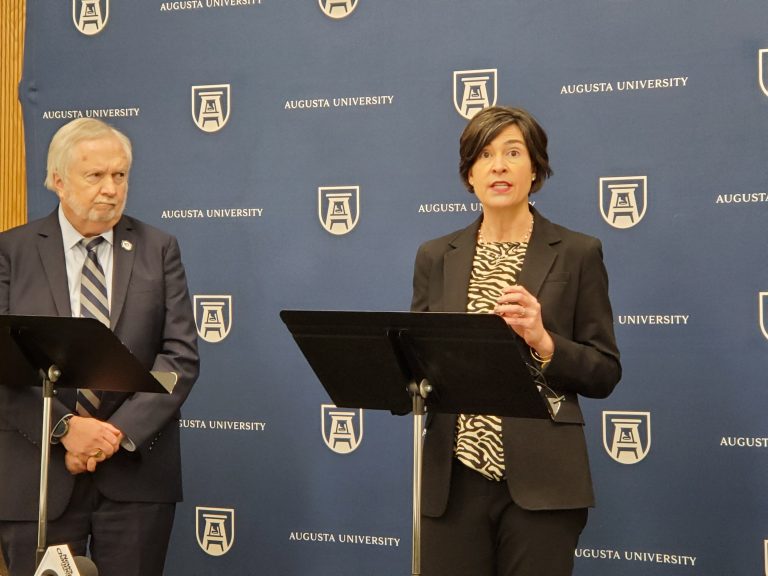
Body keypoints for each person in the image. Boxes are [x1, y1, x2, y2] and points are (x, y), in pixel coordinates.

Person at [411, 106, 621, 576]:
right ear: (470, 174)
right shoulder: (435, 256)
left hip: (544, 484)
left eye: (512, 152)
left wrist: (545, 341)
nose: (498, 166)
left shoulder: (577, 253)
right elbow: (417, 362)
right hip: (453, 483)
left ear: (536, 169)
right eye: (484, 155)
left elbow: (605, 370)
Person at [0, 118, 200, 576]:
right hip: (37, 475)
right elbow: (3, 364)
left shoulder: (158, 248)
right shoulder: (11, 252)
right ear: (56, 180)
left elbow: (179, 358)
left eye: (120, 175)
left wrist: (113, 435)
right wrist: (65, 428)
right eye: (95, 176)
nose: (111, 189)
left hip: (135, 474)